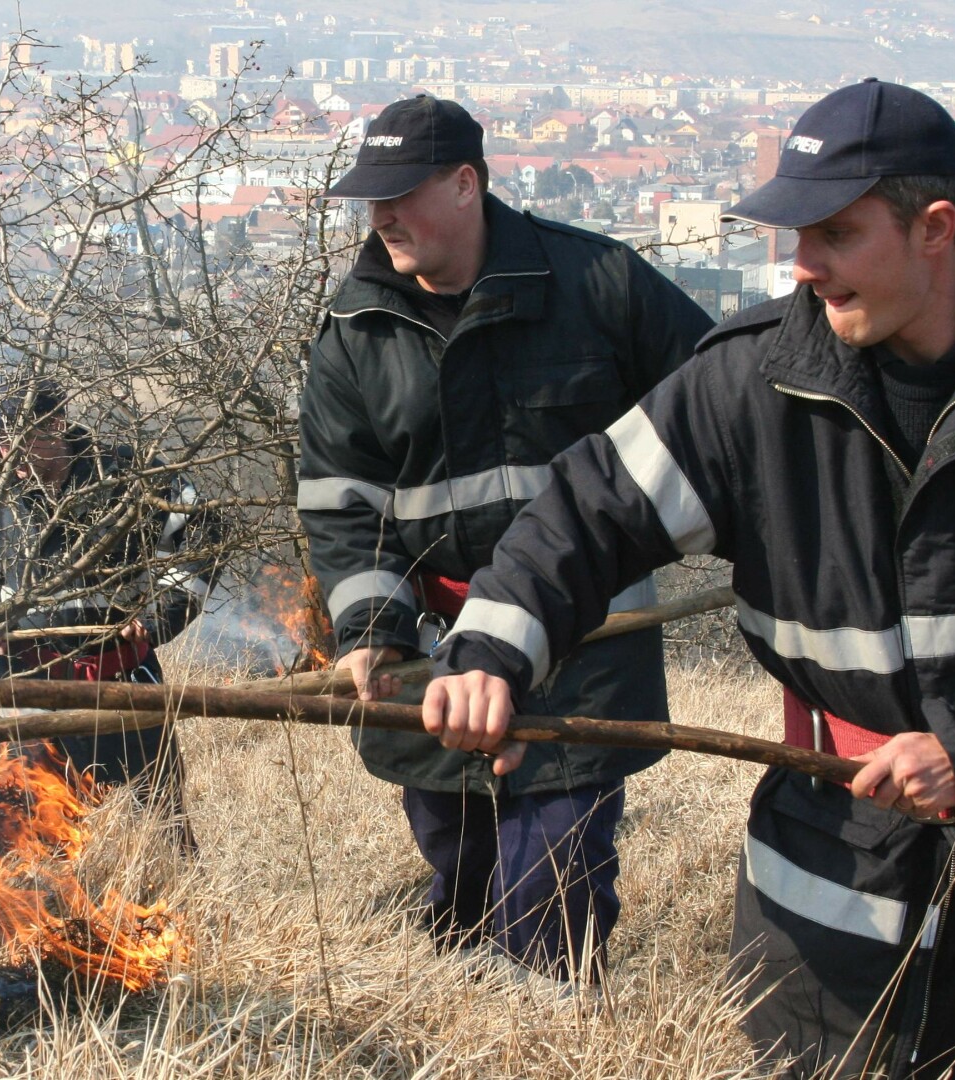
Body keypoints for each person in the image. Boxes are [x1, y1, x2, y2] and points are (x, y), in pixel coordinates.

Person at [422, 79, 955, 1078]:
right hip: (842, 814)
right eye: (794, 233)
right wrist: (491, 655)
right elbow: (583, 515)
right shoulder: (749, 382)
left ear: (936, 227)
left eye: (834, 234)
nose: (802, 265)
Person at [298, 94, 714, 981]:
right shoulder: (352, 332)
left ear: (465, 183)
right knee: (460, 872)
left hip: (585, 642)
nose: (382, 217)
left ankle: (545, 1031)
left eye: (402, 193)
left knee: (550, 886)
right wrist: (370, 631)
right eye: (371, 199)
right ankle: (475, 1015)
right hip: (432, 660)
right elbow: (342, 504)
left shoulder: (601, 284)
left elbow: (721, 411)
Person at [0, 377, 213, 835]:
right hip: (27, 687)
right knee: (43, 824)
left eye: (20, 440)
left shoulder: (128, 474)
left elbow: (201, 537)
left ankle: (179, 894)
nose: (9, 455)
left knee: (162, 816)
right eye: (2, 443)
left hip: (122, 677)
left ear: (57, 425)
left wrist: (158, 617)